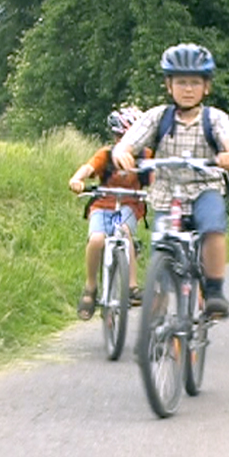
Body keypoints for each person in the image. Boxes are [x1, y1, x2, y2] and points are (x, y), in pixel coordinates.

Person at [111, 43, 229, 318]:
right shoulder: (158, 117)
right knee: (162, 245)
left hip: (204, 188)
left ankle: (215, 291)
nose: (187, 89)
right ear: (168, 85)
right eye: (181, 82)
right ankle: (155, 318)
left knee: (212, 228)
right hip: (168, 194)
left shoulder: (214, 118)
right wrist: (121, 152)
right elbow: (130, 141)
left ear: (206, 87)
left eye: (195, 83)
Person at [67, 106, 151, 320]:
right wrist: (77, 179)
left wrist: (160, 190)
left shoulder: (145, 156)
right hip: (103, 205)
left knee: (124, 231)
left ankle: (132, 287)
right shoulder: (106, 154)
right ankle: (91, 287)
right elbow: (88, 168)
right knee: (96, 240)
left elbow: (155, 176)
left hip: (129, 205)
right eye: (121, 136)